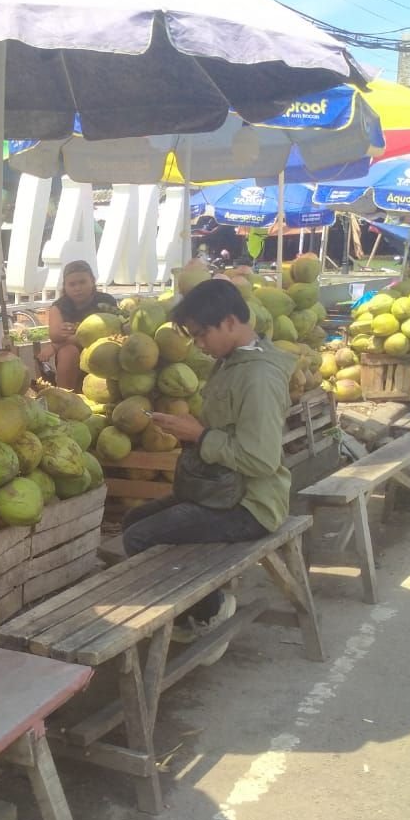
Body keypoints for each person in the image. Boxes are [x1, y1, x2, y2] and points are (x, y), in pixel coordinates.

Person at [122, 277, 294, 647]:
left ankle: (209, 611)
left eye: (202, 334)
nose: (198, 345)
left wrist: (199, 436)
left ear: (230, 321)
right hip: (223, 489)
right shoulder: (233, 362)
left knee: (141, 537)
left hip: (250, 505)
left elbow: (261, 460)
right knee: (133, 521)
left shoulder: (257, 378)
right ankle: (196, 607)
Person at [46, 260, 117, 392]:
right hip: (73, 357)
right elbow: (54, 335)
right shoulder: (59, 307)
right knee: (68, 352)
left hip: (104, 351)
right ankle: (64, 397)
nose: (77, 288)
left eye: (82, 282)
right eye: (72, 284)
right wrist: (59, 337)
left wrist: (56, 345)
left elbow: (112, 334)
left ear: (92, 281)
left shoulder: (106, 302)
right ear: (65, 287)